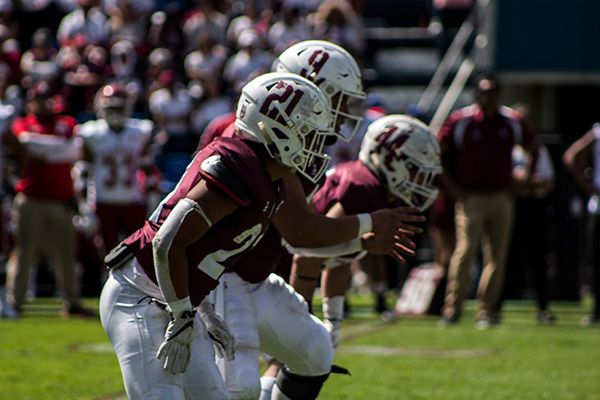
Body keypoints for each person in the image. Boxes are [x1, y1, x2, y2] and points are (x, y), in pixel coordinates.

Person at [99, 72, 414, 399]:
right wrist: (183, 314)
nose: (315, 147)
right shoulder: (239, 166)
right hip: (139, 294)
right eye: (307, 134)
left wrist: (202, 312)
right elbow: (167, 242)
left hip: (179, 297)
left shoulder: (272, 180)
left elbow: (204, 257)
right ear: (278, 130)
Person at [203, 41, 423, 400]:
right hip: (222, 277)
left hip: (253, 277)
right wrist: (369, 223)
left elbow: (295, 236)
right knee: (237, 389)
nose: (340, 113)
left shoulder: (293, 137)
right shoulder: (256, 132)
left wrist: (356, 241)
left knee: (315, 350)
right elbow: (300, 232)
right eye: (337, 99)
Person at [290, 114, 442, 347]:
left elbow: (338, 259)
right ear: (388, 160)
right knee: (292, 362)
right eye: (413, 169)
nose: (419, 179)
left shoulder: (374, 186)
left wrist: (333, 321)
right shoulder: (363, 187)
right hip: (272, 269)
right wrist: (299, 317)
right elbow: (309, 252)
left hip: (281, 266)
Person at [437, 72, 538, 329]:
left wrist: (523, 179)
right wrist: (452, 187)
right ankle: (453, 309)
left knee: (497, 255)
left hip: (502, 196)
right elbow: (437, 152)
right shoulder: (462, 121)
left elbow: (532, 147)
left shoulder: (511, 121)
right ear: (476, 94)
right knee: (465, 251)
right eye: (484, 92)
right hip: (471, 197)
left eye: (493, 91)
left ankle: (487, 309)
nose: (489, 97)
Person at [5, 82, 94, 318]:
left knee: (66, 253)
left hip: (61, 200)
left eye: (47, 98)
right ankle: (15, 301)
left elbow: (76, 150)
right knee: (25, 251)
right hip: (31, 199)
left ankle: (71, 302)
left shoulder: (66, 122)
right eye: (38, 98)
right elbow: (26, 143)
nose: (43, 103)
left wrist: (44, 152)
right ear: (30, 102)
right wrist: (59, 149)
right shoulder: (23, 123)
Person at [76, 83, 155, 254]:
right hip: (104, 202)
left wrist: (151, 199)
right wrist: (85, 208)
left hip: (132, 200)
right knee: (106, 255)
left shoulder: (140, 131)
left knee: (139, 254)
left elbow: (148, 168)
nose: (116, 112)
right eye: (112, 108)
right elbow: (82, 172)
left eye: (120, 108)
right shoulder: (92, 133)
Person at [503, 104, 556, 323]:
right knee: (504, 256)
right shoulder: (507, 148)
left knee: (537, 258)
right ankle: (495, 306)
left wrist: (526, 182)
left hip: (534, 206)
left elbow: (548, 182)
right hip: (512, 205)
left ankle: (543, 306)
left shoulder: (539, 150)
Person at [563, 123, 600, 326]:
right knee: (594, 259)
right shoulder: (597, 132)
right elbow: (571, 156)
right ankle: (596, 310)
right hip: (598, 206)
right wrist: (587, 185)